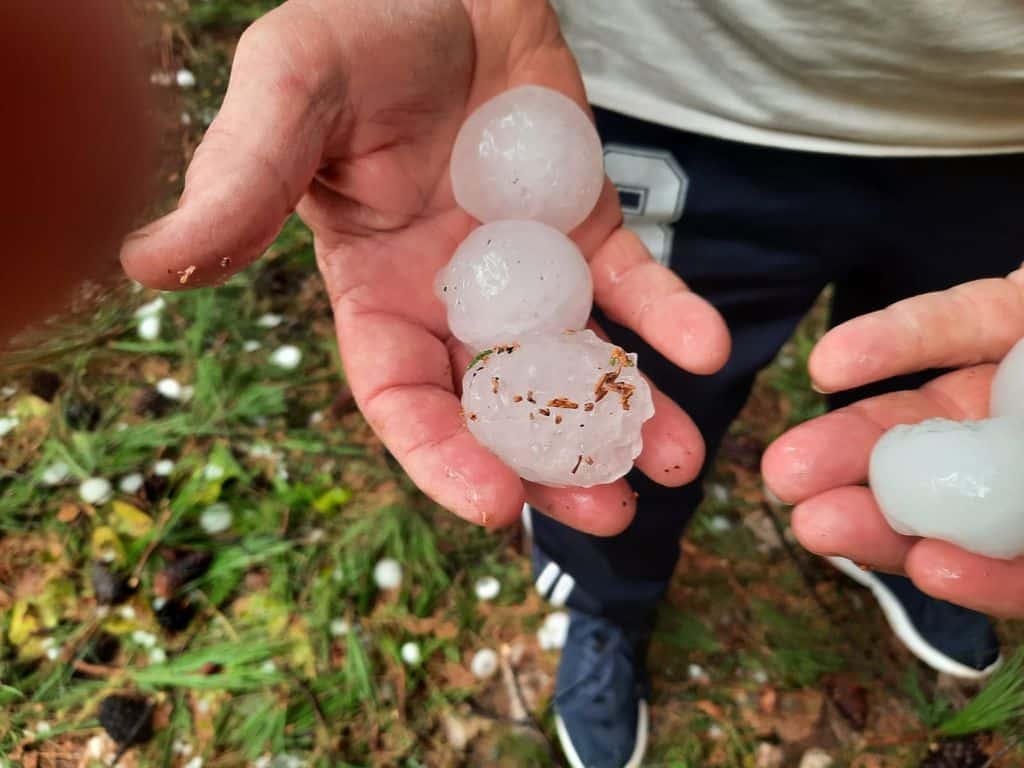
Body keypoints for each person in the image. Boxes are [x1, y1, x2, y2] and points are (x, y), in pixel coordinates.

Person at [120, 3, 1024, 766]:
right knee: (655, 391)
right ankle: (607, 605)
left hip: (997, 121)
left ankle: (913, 528)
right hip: (677, 93)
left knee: (943, 362)